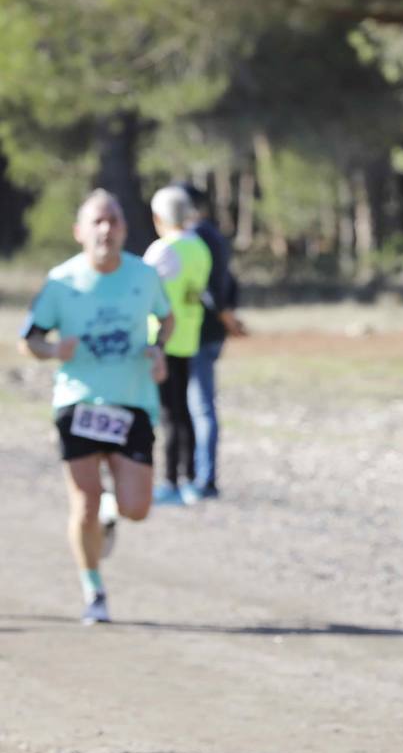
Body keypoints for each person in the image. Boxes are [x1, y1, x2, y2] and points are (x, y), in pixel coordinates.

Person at [19, 190, 173, 624]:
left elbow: (167, 318)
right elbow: (29, 339)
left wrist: (158, 348)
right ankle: (94, 590)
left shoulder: (144, 276)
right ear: (79, 231)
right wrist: (53, 350)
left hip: (133, 399)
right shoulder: (61, 282)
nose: (106, 229)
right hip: (79, 401)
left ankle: (111, 512)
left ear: (125, 229)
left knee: (136, 508)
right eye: (97, 221)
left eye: (114, 221)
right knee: (83, 503)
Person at [142, 185, 212, 505]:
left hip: (162, 341)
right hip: (188, 338)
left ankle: (171, 480)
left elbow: (141, 292)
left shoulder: (164, 250)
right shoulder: (199, 247)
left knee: (170, 414)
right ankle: (189, 478)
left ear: (158, 217)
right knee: (182, 412)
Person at [181, 182, 247, 500]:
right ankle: (195, 474)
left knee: (199, 407)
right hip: (209, 333)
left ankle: (203, 479)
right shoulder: (213, 235)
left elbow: (212, 288)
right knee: (196, 406)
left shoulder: (195, 238)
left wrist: (225, 317)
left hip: (198, 333)